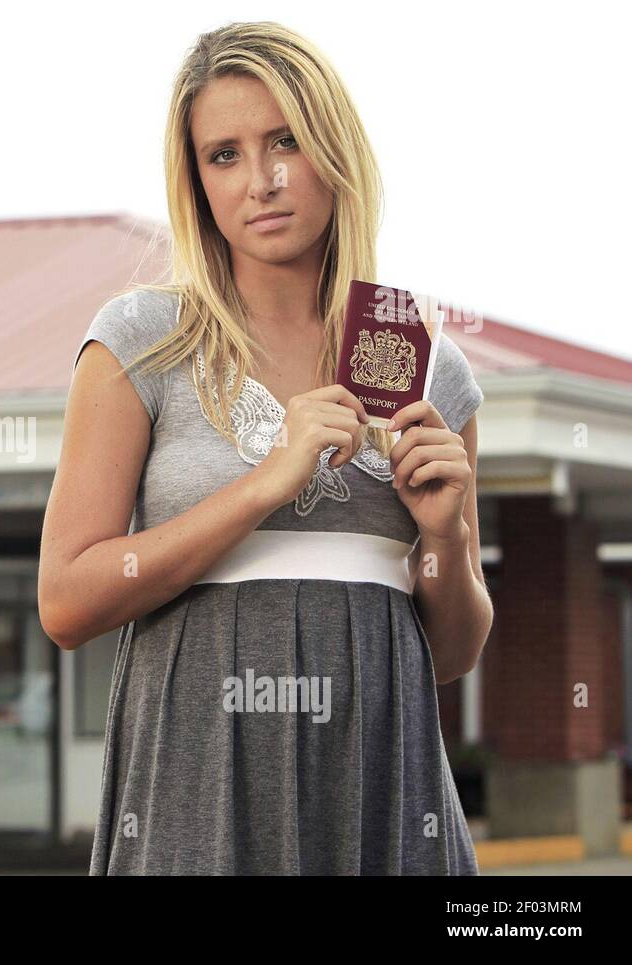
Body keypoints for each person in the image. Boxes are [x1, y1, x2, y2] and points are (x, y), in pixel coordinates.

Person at [38, 22, 491, 875]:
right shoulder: (140, 340)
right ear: (196, 181)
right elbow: (64, 602)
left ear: (334, 147)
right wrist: (264, 484)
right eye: (225, 155)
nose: (264, 180)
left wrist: (447, 538)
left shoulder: (423, 356)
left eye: (286, 140)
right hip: (196, 783)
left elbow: (455, 653)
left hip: (383, 793)